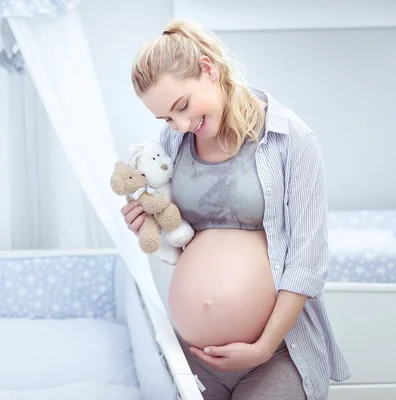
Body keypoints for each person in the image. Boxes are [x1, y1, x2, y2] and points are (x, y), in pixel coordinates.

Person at [121, 19, 351, 400]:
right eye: (167, 118)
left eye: (182, 106)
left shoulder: (291, 140)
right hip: (192, 356)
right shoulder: (175, 141)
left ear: (209, 69)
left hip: (276, 353)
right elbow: (183, 237)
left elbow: (308, 262)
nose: (180, 125)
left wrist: (261, 347)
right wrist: (149, 224)